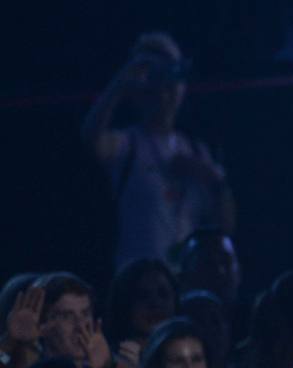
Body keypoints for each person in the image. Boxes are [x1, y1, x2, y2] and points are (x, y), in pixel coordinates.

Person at [81, 33, 235, 267]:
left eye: (173, 79)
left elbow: (225, 227)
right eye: (156, 80)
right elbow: (91, 136)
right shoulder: (129, 144)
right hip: (137, 277)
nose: (165, 91)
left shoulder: (195, 150)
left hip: (184, 280)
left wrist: (213, 178)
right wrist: (121, 82)